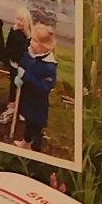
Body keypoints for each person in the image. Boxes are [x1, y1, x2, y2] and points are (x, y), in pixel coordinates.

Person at [13, 22, 59, 152]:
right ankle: (25, 142)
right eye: (32, 39)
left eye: (34, 41)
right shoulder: (29, 54)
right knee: (28, 121)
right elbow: (23, 64)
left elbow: (44, 88)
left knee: (36, 125)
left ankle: (35, 147)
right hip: (27, 97)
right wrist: (19, 78)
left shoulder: (49, 66)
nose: (30, 42)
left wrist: (26, 76)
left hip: (38, 103)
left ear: (43, 46)